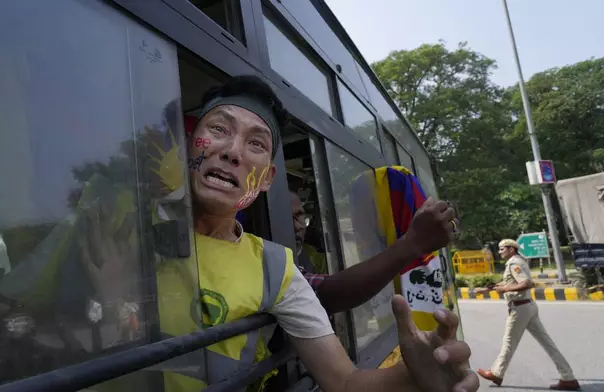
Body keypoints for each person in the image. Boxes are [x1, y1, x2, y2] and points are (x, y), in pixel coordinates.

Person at [139, 75, 478, 392]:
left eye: (255, 143)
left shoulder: (275, 268)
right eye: (218, 128)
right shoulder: (122, 230)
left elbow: (345, 381)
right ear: (188, 146)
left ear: (268, 178)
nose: (232, 151)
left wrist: (412, 377)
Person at [289, 189, 455, 315]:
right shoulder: (271, 263)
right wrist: (413, 243)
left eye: (300, 217)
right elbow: (323, 293)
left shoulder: (310, 252)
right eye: (287, 219)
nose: (297, 227)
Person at [476, 239, 580, 391]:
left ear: (512, 249)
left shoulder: (514, 263)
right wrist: (490, 289)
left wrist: (504, 290)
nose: (500, 252)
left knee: (509, 342)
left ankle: (497, 373)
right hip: (527, 306)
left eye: (502, 249)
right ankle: (568, 377)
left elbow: (526, 283)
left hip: (520, 308)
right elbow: (509, 281)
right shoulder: (516, 261)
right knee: (548, 344)